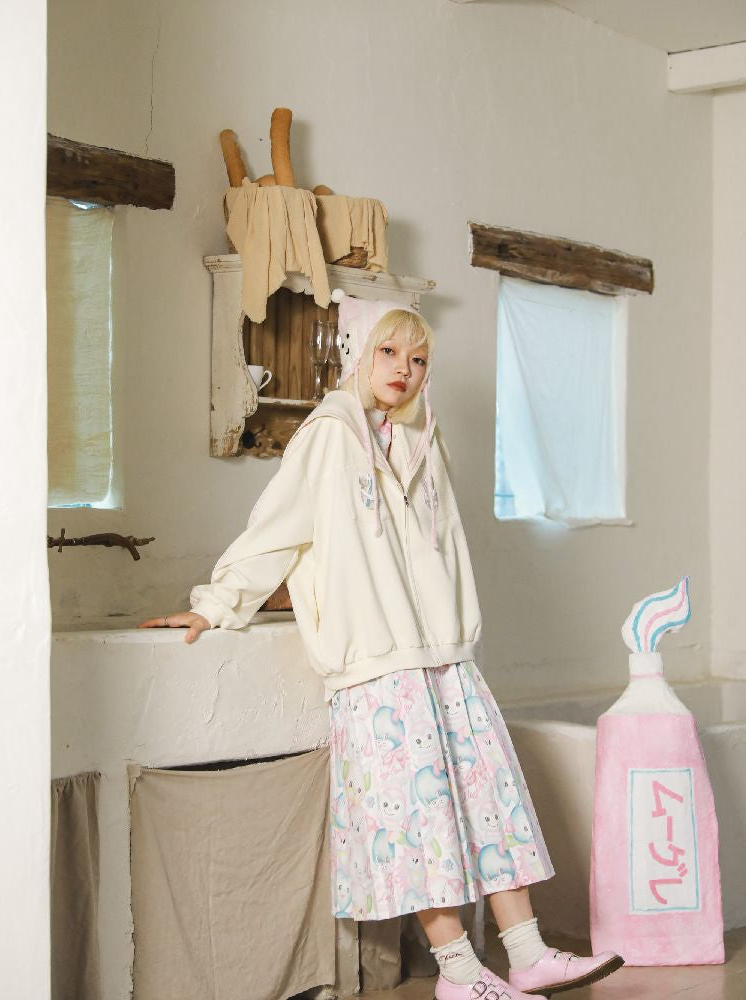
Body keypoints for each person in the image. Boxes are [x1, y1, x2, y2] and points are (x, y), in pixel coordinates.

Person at [140, 292, 623, 1000]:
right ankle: (460, 973)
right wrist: (216, 604)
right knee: (419, 823)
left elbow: (440, 548)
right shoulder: (329, 436)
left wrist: (456, 637)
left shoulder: (423, 438)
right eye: (389, 352)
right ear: (360, 357)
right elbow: (277, 529)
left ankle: (527, 954)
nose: (404, 369)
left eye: (418, 359)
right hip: (377, 672)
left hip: (445, 659)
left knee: (490, 802)